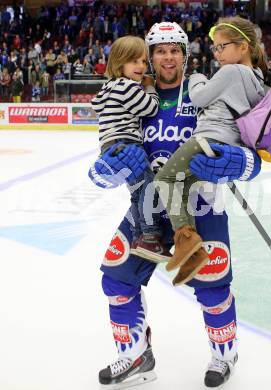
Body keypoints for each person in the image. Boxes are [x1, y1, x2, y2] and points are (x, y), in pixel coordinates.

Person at [88, 21, 261, 389]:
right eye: (160, 51)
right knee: (115, 279)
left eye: (175, 50)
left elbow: (254, 140)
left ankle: (224, 354)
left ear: (185, 54)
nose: (168, 57)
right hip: (148, 208)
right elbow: (111, 143)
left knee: (213, 290)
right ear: (150, 57)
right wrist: (105, 170)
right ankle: (135, 356)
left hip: (200, 207)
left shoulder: (206, 90)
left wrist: (243, 162)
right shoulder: (135, 95)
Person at [154, 17, 268, 286]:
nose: (217, 54)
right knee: (181, 185)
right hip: (227, 143)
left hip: (208, 138)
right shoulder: (259, 78)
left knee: (165, 179)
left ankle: (188, 241)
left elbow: (199, 98)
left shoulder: (232, 72)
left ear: (243, 47)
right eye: (215, 49)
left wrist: (196, 78)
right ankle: (192, 252)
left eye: (221, 47)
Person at [91, 35, 170, 263]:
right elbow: (150, 108)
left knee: (137, 192)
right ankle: (149, 236)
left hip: (111, 146)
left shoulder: (108, 87)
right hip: (126, 145)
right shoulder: (125, 86)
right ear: (119, 62)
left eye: (144, 62)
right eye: (134, 61)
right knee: (148, 188)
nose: (141, 67)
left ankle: (137, 239)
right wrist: (150, 87)